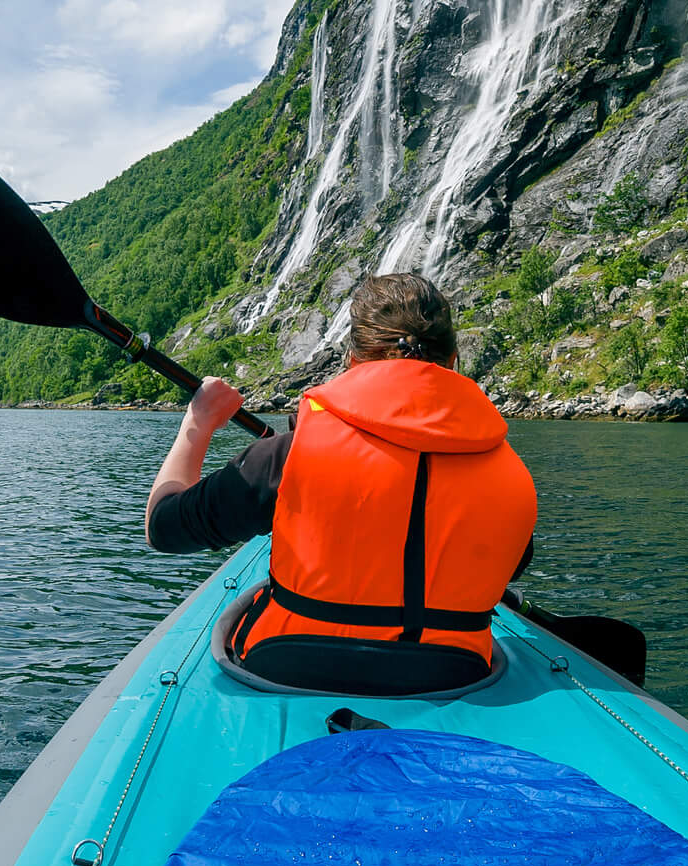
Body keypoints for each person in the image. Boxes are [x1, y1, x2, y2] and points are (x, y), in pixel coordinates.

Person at [145, 273, 537, 695]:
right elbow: (508, 567)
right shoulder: (512, 474)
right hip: (456, 673)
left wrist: (199, 421)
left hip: (289, 665)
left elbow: (162, 527)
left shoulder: (286, 456)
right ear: (454, 360)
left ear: (353, 360)